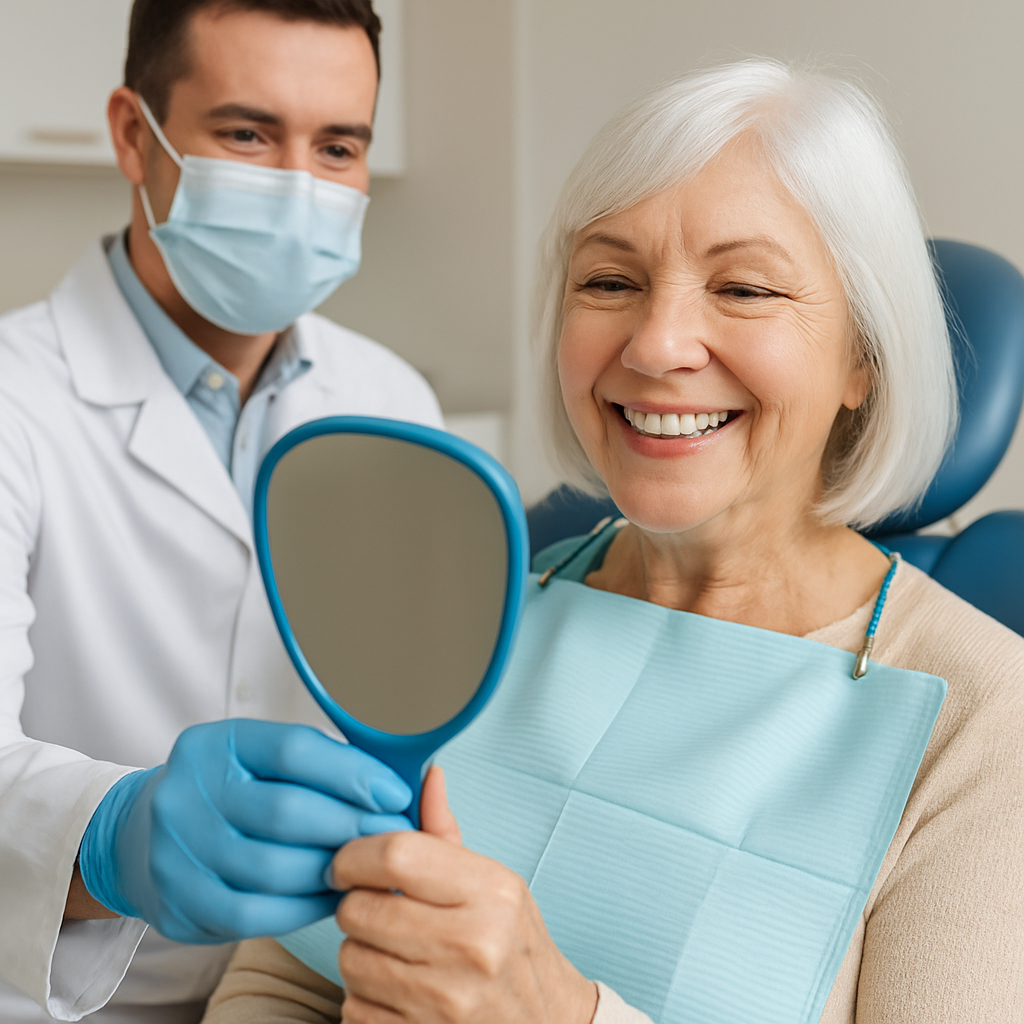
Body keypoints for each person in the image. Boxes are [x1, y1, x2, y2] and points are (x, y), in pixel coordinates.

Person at [198, 60, 1024, 1024]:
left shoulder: (984, 724)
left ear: (862, 363)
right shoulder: (467, 615)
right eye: (609, 280)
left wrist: (559, 1013)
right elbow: (279, 981)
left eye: (746, 289)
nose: (654, 343)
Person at [0, 2, 443, 1022]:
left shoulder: (393, 408)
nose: (296, 185)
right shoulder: (15, 404)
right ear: (132, 135)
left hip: (304, 989)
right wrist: (109, 837)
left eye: (337, 146)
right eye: (246, 134)